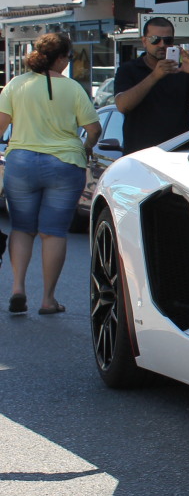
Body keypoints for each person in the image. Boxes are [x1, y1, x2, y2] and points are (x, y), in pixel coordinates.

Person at [0, 33, 101, 315]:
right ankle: (48, 299)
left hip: (21, 163)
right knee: (53, 232)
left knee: (21, 227)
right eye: (67, 57)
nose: (68, 62)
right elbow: (93, 128)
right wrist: (86, 146)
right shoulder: (73, 89)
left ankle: (18, 288)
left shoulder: (15, 85)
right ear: (60, 58)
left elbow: (0, 126)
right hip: (65, 164)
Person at [113, 17, 189, 154]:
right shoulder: (128, 70)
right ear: (144, 41)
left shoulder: (182, 71)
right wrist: (155, 75)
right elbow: (123, 105)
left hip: (176, 153)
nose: (162, 44)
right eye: (155, 39)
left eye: (167, 40)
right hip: (140, 155)